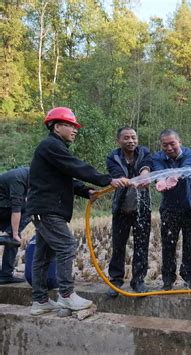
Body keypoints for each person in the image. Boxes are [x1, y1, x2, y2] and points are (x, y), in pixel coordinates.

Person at [27, 107, 127, 315]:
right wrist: (107, 179)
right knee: (66, 246)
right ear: (56, 127)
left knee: (43, 256)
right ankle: (66, 296)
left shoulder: (53, 148)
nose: (75, 130)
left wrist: (85, 190)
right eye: (70, 126)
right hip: (47, 209)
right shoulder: (51, 146)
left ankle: (40, 301)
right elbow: (75, 166)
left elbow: (65, 178)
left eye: (75, 127)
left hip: (45, 209)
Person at [106, 127, 152, 297]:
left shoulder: (144, 152)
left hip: (142, 209)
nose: (131, 141)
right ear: (119, 140)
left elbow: (147, 166)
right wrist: (124, 180)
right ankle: (116, 280)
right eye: (126, 138)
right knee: (118, 245)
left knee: (142, 245)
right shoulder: (113, 156)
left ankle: (138, 280)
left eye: (133, 137)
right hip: (121, 209)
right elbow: (116, 174)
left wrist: (145, 174)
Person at [153, 129, 191, 290]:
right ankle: (168, 279)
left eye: (172, 143)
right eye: (165, 145)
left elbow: (186, 169)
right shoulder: (157, 157)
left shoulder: (190, 154)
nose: (169, 148)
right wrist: (161, 180)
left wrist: (175, 176)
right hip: (169, 209)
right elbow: (159, 172)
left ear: (179, 141)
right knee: (168, 245)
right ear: (161, 145)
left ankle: (189, 276)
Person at [0, 167, 30, 284]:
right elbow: (16, 209)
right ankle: (10, 236)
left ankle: (5, 275)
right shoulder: (19, 179)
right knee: (30, 208)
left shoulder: (27, 176)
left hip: (2, 206)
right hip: (2, 207)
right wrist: (15, 233)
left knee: (12, 235)